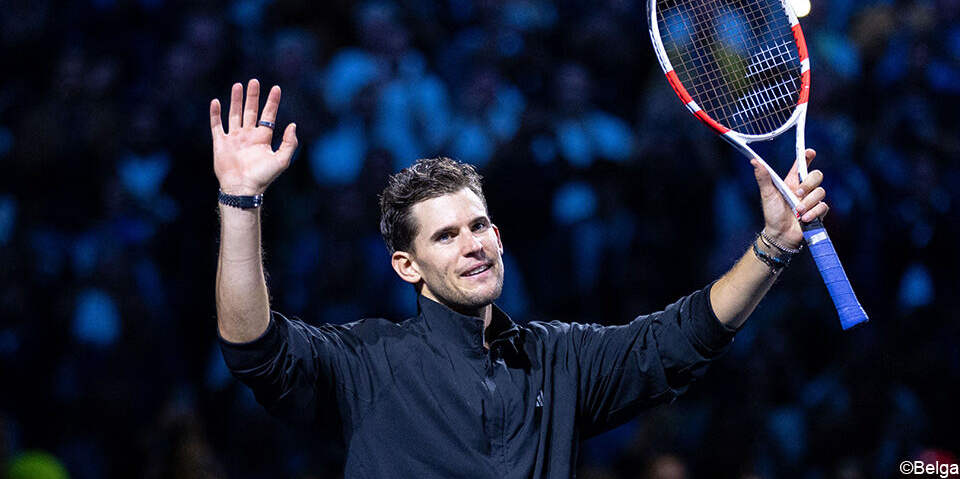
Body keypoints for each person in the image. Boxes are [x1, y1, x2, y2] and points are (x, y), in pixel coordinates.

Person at [209, 79, 830, 477]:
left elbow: (684, 336)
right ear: (407, 265)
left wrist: (772, 244)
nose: (473, 246)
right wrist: (240, 202)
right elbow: (251, 347)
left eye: (479, 227)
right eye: (446, 237)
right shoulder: (365, 362)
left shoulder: (558, 359)